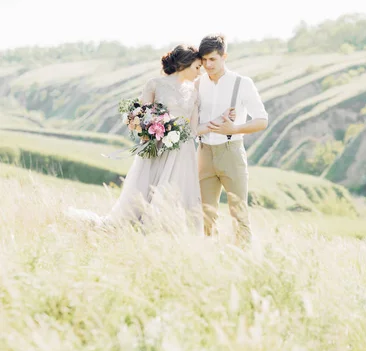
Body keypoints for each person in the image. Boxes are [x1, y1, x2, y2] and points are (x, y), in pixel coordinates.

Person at [67, 44, 233, 229]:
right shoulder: (154, 84)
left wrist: (219, 121)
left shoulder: (194, 93)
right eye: (196, 67)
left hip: (182, 153)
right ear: (184, 64)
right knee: (145, 190)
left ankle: (165, 231)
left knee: (175, 195)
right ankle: (134, 228)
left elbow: (193, 130)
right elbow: (141, 116)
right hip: (156, 147)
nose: (199, 73)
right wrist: (149, 128)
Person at [195, 34, 269, 246]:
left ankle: (244, 259)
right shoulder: (197, 84)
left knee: (239, 214)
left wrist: (235, 128)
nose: (207, 65)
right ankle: (210, 258)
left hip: (231, 151)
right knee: (206, 215)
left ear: (224, 56)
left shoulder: (242, 83)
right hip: (204, 153)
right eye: (204, 60)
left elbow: (262, 120)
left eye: (212, 59)